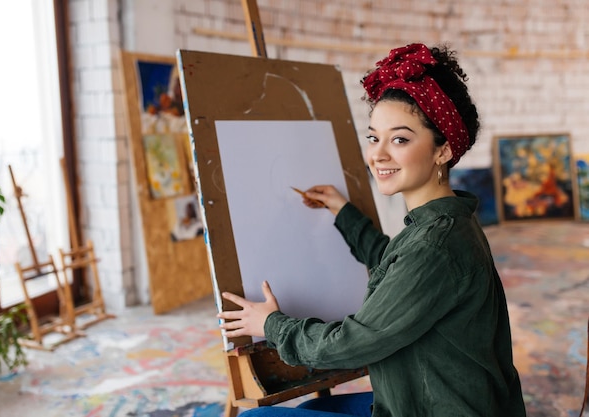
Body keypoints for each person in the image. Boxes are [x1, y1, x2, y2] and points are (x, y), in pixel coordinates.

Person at [217, 43, 527, 417]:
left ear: (443, 149)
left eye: (399, 139)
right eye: (372, 137)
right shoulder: (447, 224)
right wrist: (343, 211)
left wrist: (272, 324)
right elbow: (393, 262)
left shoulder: (434, 247)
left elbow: (352, 344)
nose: (378, 154)